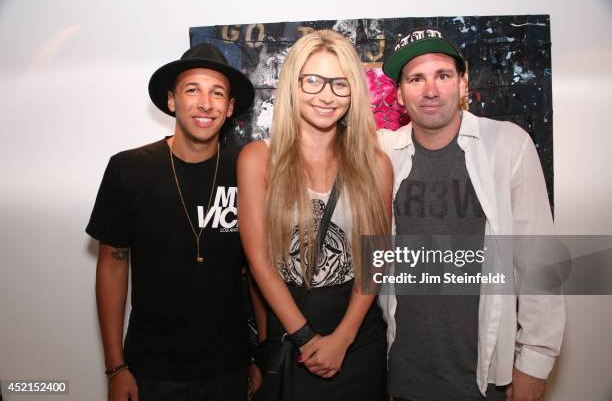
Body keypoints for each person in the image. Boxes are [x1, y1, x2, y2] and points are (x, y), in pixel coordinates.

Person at [378, 28, 565, 401]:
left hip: (484, 379)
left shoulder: (507, 144)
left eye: (443, 76)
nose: (430, 90)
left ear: (462, 84)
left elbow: (537, 258)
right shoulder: (383, 152)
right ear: (399, 94)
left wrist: (535, 361)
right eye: (416, 78)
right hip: (402, 375)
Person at [86, 43, 255, 401]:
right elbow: (113, 266)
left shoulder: (247, 170)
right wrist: (116, 367)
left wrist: (262, 354)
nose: (205, 103)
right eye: (192, 90)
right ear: (172, 100)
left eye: (217, 93)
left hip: (229, 366)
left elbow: (260, 267)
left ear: (229, 107)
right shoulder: (128, 170)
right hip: (151, 368)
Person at [237, 29, 392, 400]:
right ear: (293, 84)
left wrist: (344, 337)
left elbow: (377, 256)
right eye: (313, 81)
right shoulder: (258, 159)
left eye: (340, 84)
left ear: (354, 91)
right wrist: (305, 337)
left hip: (358, 335)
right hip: (290, 331)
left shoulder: (377, 164)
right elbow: (258, 260)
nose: (327, 95)